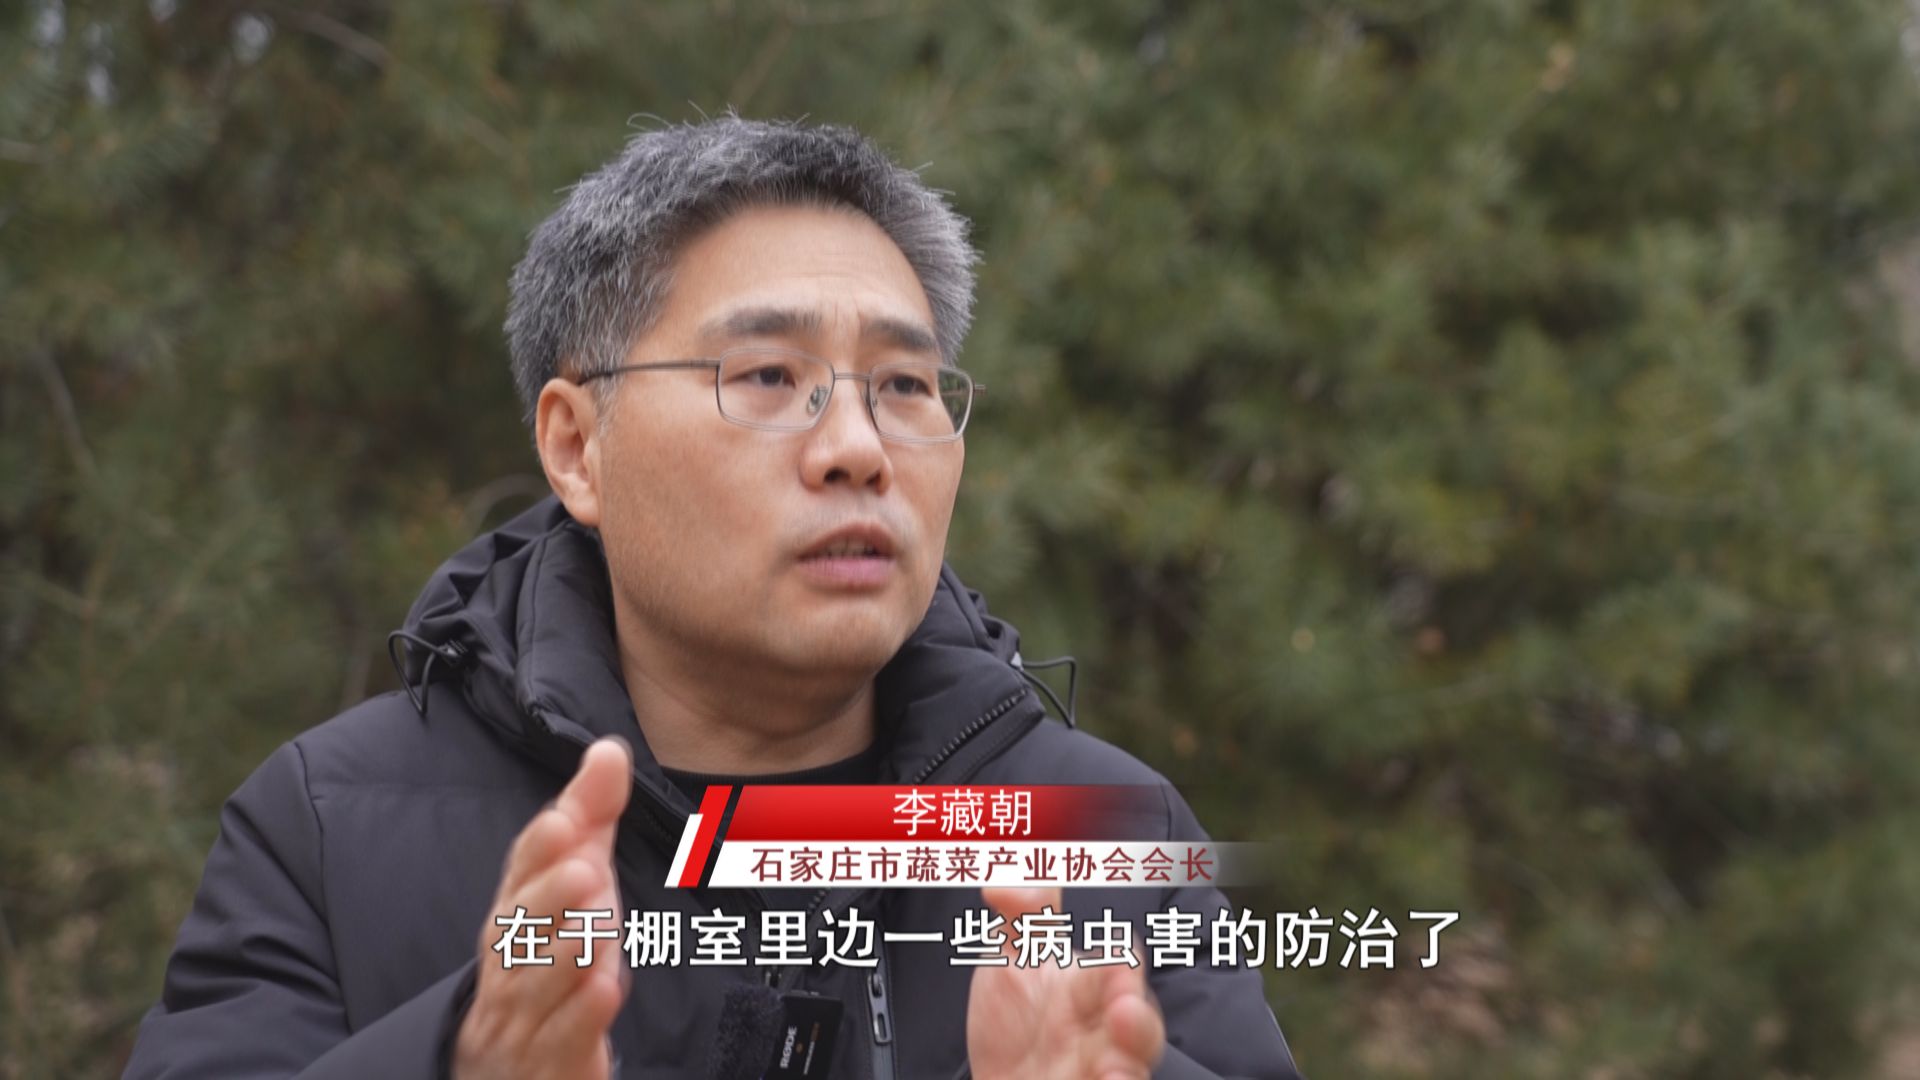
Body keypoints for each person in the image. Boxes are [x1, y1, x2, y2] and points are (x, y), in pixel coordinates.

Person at [124, 116, 1303, 1080]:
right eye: (769, 375)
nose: (857, 449)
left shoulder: (1101, 836)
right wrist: (458, 1064)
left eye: (904, 384)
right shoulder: (332, 826)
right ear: (577, 447)